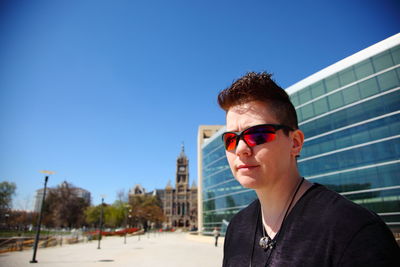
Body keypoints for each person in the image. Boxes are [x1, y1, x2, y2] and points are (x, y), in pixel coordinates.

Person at [218, 72, 400, 266]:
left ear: (295, 143)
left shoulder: (354, 230)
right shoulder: (236, 228)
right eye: (231, 139)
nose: (240, 149)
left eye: (257, 134)